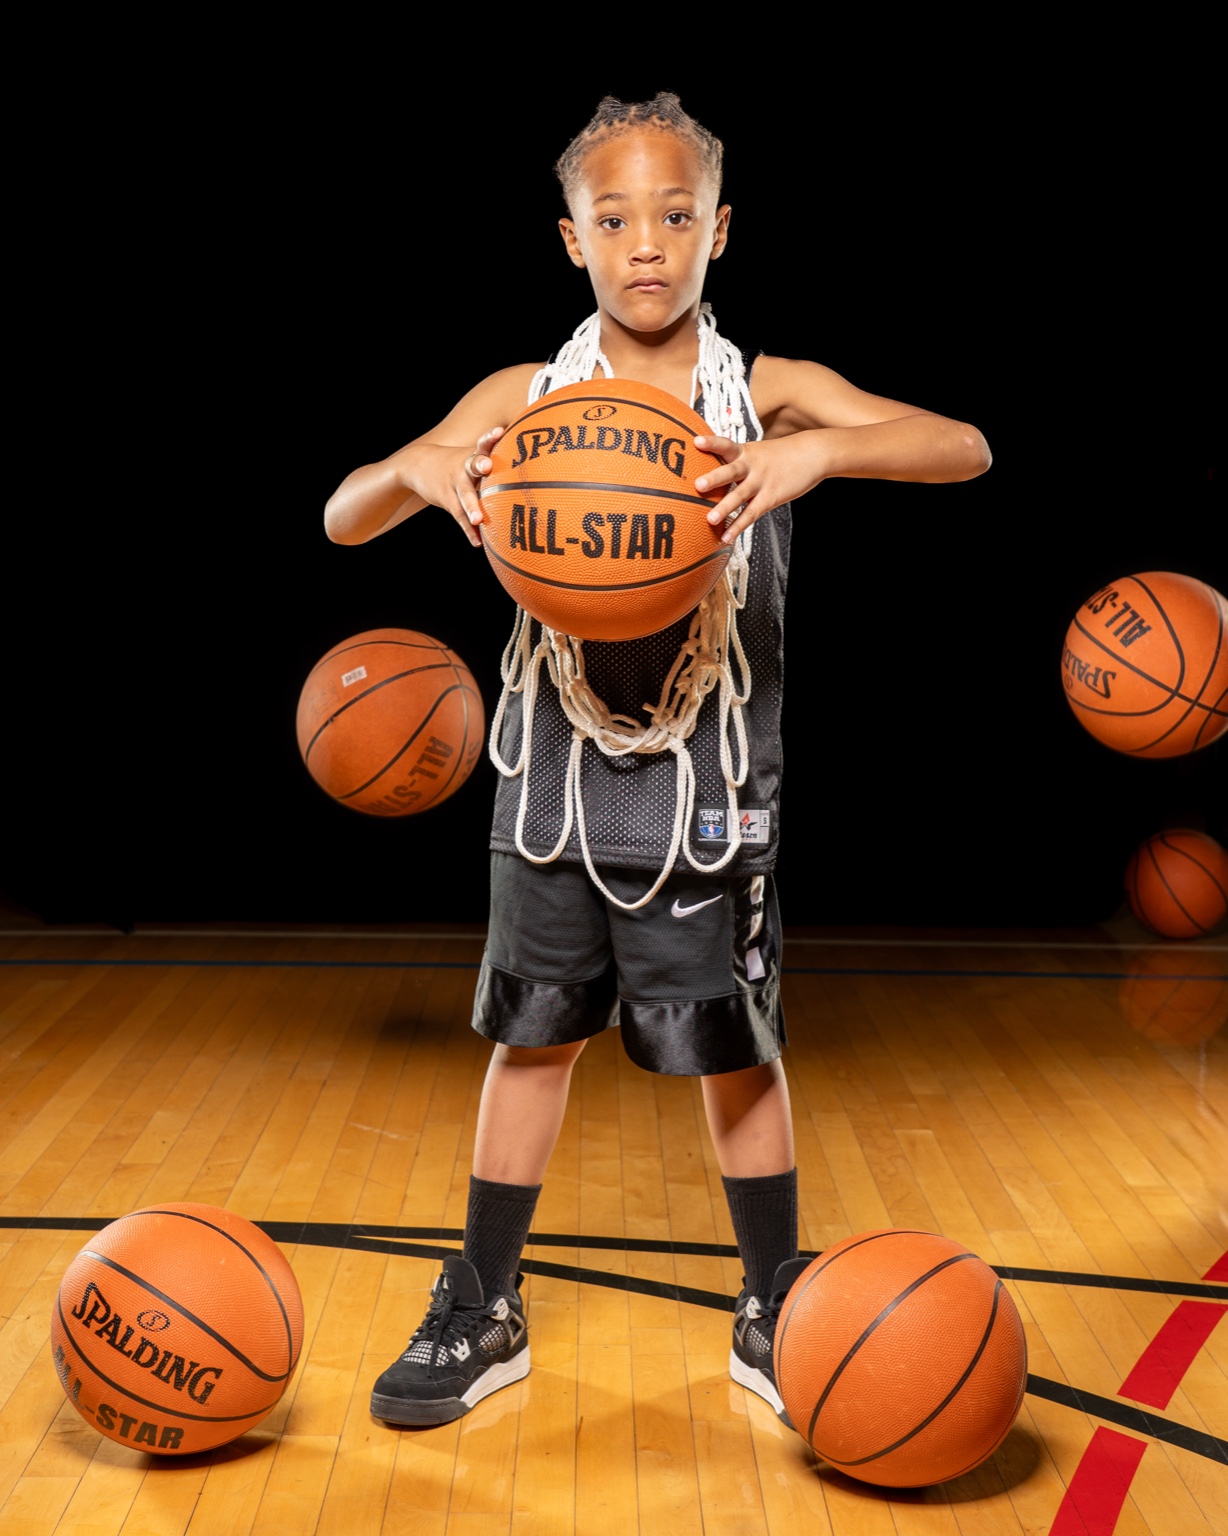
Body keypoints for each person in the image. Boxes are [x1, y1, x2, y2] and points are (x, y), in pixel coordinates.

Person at [324, 93, 990, 1429]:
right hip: (554, 787)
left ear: (719, 231)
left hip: (708, 794)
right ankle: (485, 1303)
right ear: (571, 241)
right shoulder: (528, 400)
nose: (646, 243)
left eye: (675, 216)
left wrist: (814, 458)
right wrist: (423, 472)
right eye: (614, 218)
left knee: (739, 1054)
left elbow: (963, 447)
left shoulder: (766, 391)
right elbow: (344, 516)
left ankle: (769, 1298)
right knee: (531, 1044)